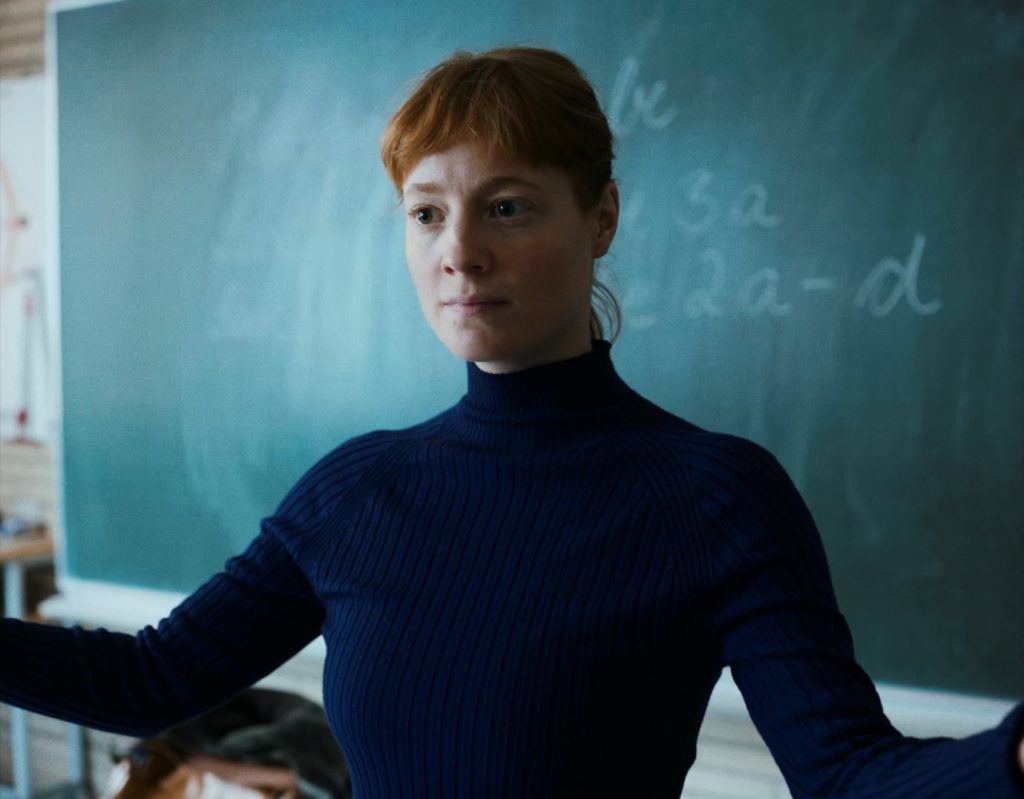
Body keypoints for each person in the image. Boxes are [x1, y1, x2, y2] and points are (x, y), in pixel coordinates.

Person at [2, 46, 1023, 799]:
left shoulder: (714, 496)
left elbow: (846, 773)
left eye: (507, 206)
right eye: (426, 213)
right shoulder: (358, 490)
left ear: (602, 217)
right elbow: (152, 678)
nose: (459, 251)